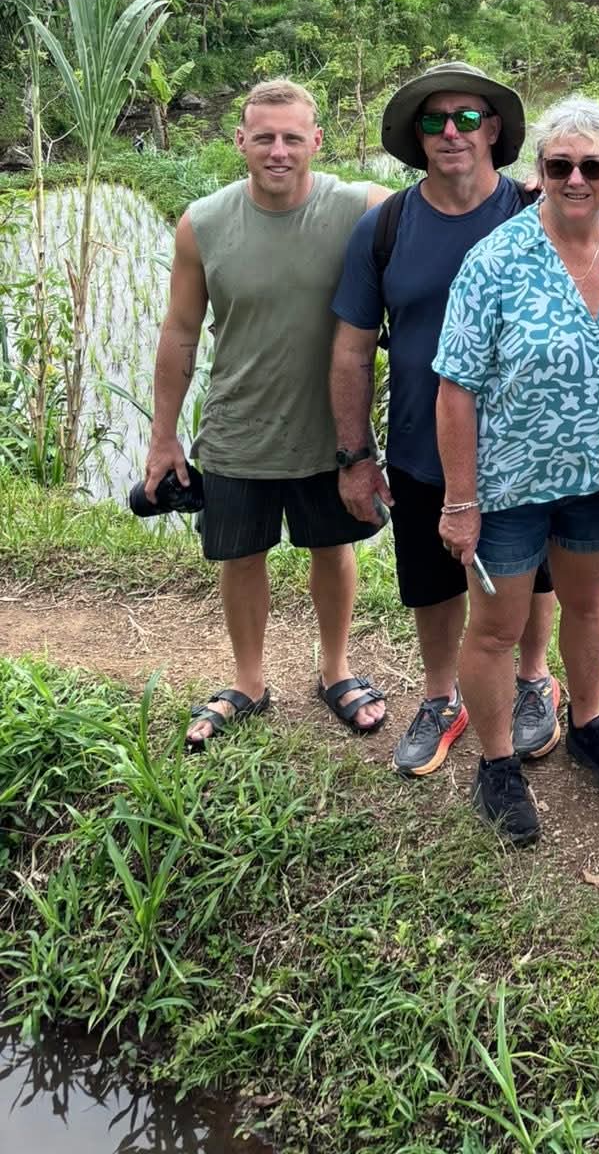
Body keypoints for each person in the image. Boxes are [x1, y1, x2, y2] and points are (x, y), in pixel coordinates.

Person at [330, 62, 564, 778]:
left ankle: (533, 680)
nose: (452, 133)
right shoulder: (387, 225)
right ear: (417, 137)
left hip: (525, 445)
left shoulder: (536, 213)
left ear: (494, 130)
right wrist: (355, 455)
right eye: (435, 121)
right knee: (432, 578)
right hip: (419, 444)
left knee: (538, 574)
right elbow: (350, 351)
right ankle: (442, 698)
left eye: (467, 118)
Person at [434, 94, 599, 843]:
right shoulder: (495, 260)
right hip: (505, 488)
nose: (575, 179)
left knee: (590, 607)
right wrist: (459, 500)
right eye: (560, 165)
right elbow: (455, 388)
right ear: (539, 170)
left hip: (596, 482)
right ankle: (497, 764)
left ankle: (586, 722)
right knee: (497, 628)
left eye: (591, 165)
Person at [145, 80, 391, 751]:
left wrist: (525, 199)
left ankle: (335, 670)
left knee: (330, 548)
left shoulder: (360, 208)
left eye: (291, 137)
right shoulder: (204, 222)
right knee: (242, 555)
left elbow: (439, 215)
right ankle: (248, 682)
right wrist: (163, 437)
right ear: (241, 143)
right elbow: (179, 332)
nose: (278, 150)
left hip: (328, 432)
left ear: (316, 140)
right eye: (264, 137)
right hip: (237, 427)